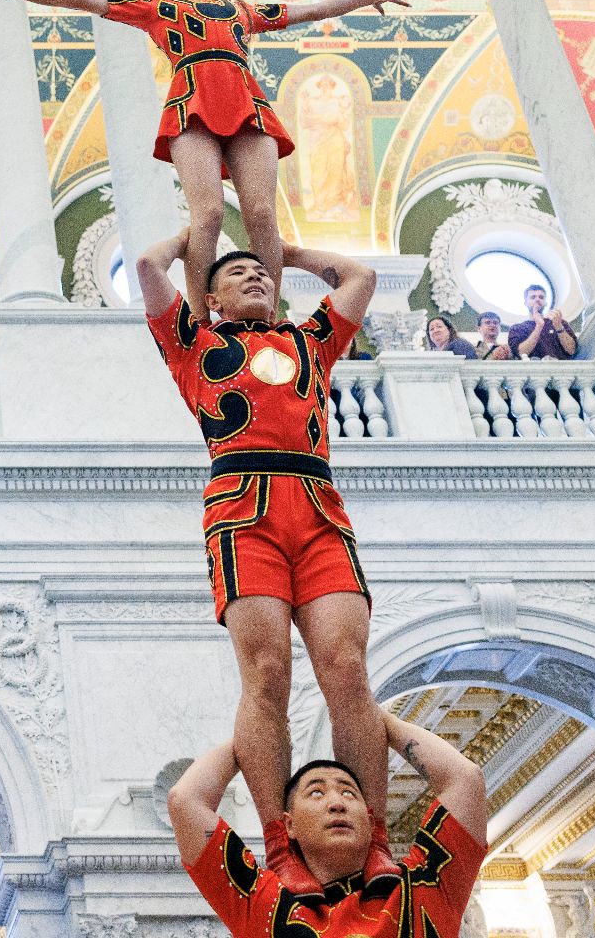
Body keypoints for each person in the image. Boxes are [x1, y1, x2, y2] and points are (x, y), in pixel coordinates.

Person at [135, 229, 396, 895]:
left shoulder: (310, 341)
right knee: (268, 672)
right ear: (212, 300)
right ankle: (281, 845)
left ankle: (375, 842)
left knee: (346, 666)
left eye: (262, 274)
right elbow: (146, 265)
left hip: (315, 505)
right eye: (239, 275)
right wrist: (195, 237)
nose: (255, 278)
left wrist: (284, 250)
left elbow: (359, 278)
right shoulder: (194, 345)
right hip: (241, 510)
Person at [0, 0, 410, 317]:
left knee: (259, 214)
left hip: (247, 104)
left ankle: (268, 319)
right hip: (191, 104)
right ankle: (200, 315)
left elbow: (310, 11)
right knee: (208, 214)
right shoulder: (155, 7)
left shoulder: (241, 10)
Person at [168, 708, 486, 925]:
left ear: (370, 816)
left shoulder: (423, 889)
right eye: (316, 793)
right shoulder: (266, 907)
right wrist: (258, 731)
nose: (337, 803)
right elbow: (185, 802)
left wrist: (372, 717)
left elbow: (466, 779)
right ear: (288, 824)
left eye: (349, 792)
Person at [507, 285, 576, 359]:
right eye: (533, 297)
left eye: (541, 297)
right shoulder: (517, 328)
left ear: (545, 303)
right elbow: (521, 353)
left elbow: (571, 350)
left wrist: (559, 327)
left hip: (562, 369)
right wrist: (539, 326)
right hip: (533, 369)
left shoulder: (559, 322)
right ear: (526, 303)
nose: (537, 299)